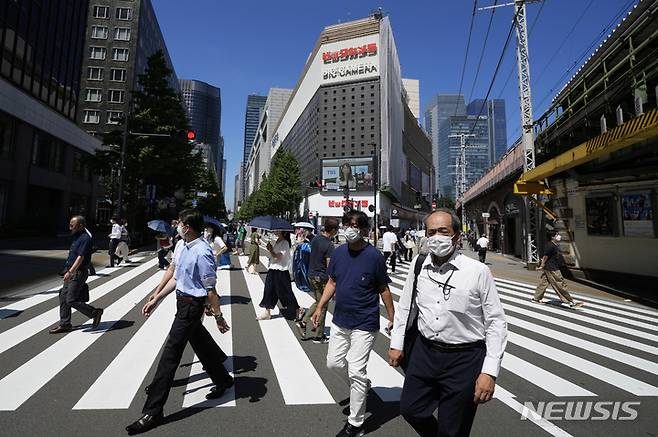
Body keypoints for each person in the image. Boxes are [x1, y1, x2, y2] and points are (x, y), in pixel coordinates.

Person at [388, 209, 508, 437]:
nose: (436, 237)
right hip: (425, 352)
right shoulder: (419, 264)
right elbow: (405, 307)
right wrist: (397, 343)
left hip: (464, 358)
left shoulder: (478, 271)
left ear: (456, 236)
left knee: (452, 429)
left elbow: (496, 322)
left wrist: (489, 372)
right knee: (411, 410)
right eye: (431, 232)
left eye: (443, 231)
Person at [126, 209, 232, 435]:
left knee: (170, 354)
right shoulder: (182, 245)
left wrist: (219, 316)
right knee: (200, 343)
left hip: (192, 305)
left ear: (188, 227)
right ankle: (223, 380)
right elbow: (174, 274)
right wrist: (156, 296)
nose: (177, 225)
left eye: (180, 223)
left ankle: (153, 411)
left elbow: (210, 289)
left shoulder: (202, 252)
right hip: (181, 301)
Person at [311, 211, 395, 437]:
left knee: (356, 370)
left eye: (356, 225)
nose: (350, 228)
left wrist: (392, 317)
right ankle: (362, 385)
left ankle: (355, 424)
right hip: (341, 320)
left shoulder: (374, 256)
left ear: (365, 230)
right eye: (347, 224)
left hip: (365, 322)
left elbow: (383, 289)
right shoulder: (338, 253)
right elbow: (332, 281)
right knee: (333, 363)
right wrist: (320, 307)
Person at [49, 216, 104, 334]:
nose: (70, 227)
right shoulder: (76, 236)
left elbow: (81, 257)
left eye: (72, 225)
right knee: (63, 296)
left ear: (81, 226)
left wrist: (70, 272)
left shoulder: (85, 238)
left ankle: (94, 312)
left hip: (78, 273)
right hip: (70, 272)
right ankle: (65, 324)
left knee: (71, 300)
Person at [297, 218, 338, 343]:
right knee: (323, 304)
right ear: (333, 230)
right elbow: (329, 266)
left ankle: (305, 321)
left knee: (318, 301)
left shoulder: (316, 239)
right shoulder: (329, 245)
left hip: (311, 274)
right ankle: (317, 335)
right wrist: (334, 284)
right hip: (322, 277)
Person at [257, 231, 305, 321]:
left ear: (282, 231)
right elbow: (275, 257)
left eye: (276, 230)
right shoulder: (278, 240)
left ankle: (298, 309)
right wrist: (270, 250)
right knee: (268, 290)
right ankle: (267, 312)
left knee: (285, 292)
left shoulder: (285, 243)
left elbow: (279, 257)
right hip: (273, 269)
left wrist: (271, 250)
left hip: (281, 271)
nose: (274, 231)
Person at [533, 231, 584, 309]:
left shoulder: (554, 245)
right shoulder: (550, 246)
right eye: (557, 235)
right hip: (552, 269)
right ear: (553, 237)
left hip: (549, 268)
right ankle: (570, 302)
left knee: (543, 283)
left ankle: (536, 298)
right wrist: (541, 266)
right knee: (560, 284)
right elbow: (545, 257)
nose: (559, 236)